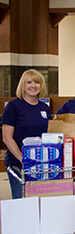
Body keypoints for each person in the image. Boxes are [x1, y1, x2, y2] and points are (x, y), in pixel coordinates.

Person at [1, 70, 51, 199]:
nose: (33, 86)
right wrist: (23, 159)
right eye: (29, 82)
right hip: (18, 164)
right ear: (22, 85)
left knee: (40, 201)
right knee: (21, 201)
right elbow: (7, 138)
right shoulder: (13, 106)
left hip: (40, 164)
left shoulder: (44, 108)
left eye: (37, 82)